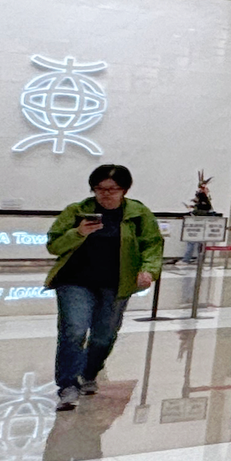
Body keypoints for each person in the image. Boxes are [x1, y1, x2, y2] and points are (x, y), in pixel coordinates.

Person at [44, 162, 163, 411]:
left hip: (116, 283)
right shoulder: (77, 211)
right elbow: (54, 245)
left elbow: (152, 245)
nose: (105, 194)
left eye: (112, 189)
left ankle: (88, 373)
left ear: (125, 190)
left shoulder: (139, 214)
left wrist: (148, 270)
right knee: (74, 330)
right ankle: (68, 385)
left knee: (103, 336)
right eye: (99, 189)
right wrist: (78, 233)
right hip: (74, 281)